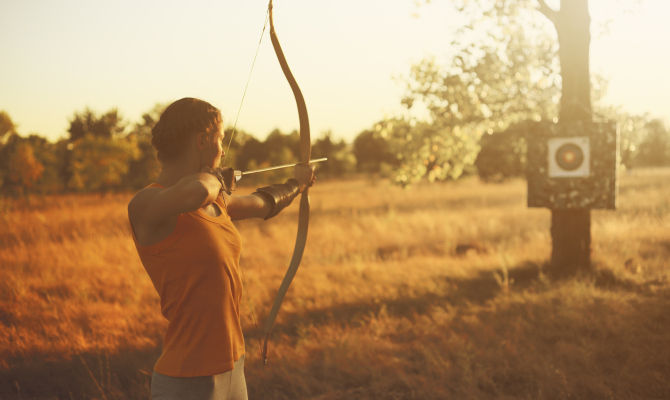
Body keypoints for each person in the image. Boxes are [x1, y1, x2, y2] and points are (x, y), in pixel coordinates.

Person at [127, 97, 315, 400]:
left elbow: (263, 203)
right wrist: (214, 179)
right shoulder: (146, 204)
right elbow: (198, 189)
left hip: (232, 366)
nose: (223, 150)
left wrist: (296, 184)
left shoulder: (216, 201)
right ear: (203, 139)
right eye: (219, 139)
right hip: (186, 379)